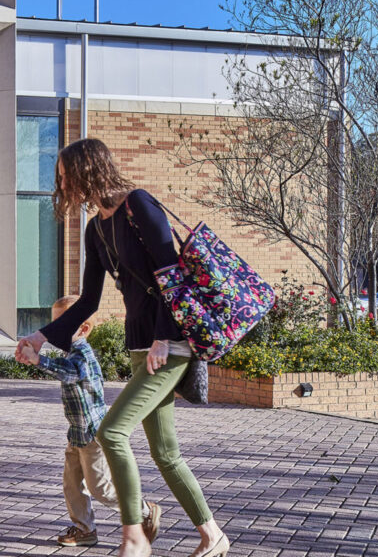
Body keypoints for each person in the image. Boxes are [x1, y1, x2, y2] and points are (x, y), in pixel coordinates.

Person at [17, 139, 228, 557]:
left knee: (111, 431)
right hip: (141, 346)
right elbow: (88, 301)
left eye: (65, 176)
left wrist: (163, 337)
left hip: (170, 342)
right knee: (165, 453)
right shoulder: (96, 228)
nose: (62, 185)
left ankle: (134, 537)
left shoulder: (139, 205)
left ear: (87, 170)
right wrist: (41, 337)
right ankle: (213, 535)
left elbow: (172, 276)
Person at [17, 294, 161, 548]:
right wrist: (34, 356)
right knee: (72, 484)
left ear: (83, 329)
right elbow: (63, 367)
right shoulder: (70, 351)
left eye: (61, 324)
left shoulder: (82, 354)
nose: (54, 331)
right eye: (53, 324)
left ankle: (143, 511)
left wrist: (38, 360)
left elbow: (70, 372)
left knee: (100, 488)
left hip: (93, 432)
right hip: (77, 432)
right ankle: (85, 530)